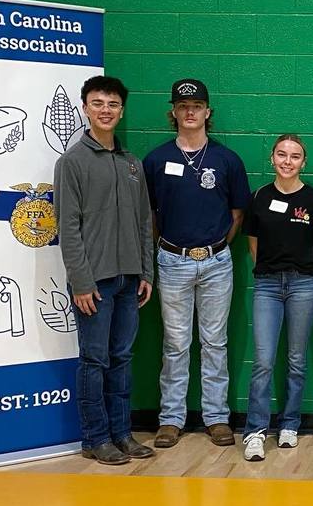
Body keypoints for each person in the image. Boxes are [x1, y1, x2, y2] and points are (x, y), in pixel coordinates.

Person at [142, 79, 251, 450]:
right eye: (183, 106)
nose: (190, 111)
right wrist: (167, 248)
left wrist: (218, 247)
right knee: (175, 343)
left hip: (217, 262)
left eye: (197, 105)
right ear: (173, 112)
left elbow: (237, 213)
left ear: (208, 112)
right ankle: (171, 418)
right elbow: (150, 214)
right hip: (172, 261)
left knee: (214, 342)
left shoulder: (227, 160)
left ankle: (216, 417)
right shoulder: (156, 160)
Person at [53, 75, 154, 465]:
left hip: (130, 279)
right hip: (94, 283)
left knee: (122, 358)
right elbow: (68, 228)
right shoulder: (72, 162)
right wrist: (81, 280)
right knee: (94, 359)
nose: (106, 110)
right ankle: (95, 437)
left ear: (121, 110)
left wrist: (146, 272)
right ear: (85, 108)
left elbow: (144, 222)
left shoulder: (132, 164)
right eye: (97, 103)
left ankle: (122, 433)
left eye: (112, 104)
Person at [241, 135, 313, 462]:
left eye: (295, 156)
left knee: (296, 359)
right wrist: (270, 272)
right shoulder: (260, 198)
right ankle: (255, 431)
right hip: (266, 286)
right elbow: (252, 242)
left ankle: (290, 424)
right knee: (263, 361)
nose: (287, 161)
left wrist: (309, 280)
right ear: (272, 158)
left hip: (304, 285)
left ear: (303, 162)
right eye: (282, 154)